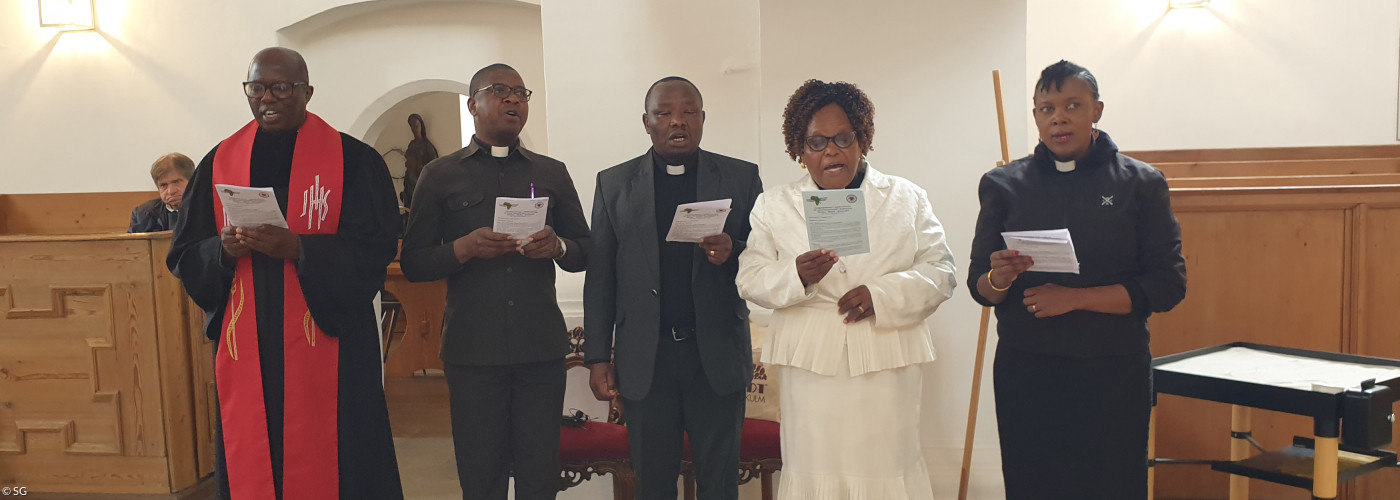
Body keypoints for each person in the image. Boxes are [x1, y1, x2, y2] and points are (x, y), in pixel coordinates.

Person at [167, 47, 404, 500]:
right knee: (255, 450)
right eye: (256, 88)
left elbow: (374, 249)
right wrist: (223, 250)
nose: (267, 98)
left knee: (343, 457)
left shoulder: (353, 160)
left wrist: (299, 248)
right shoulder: (219, 162)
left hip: (328, 338)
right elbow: (185, 253)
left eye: (280, 87)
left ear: (307, 92)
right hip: (250, 344)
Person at [967, 60, 1187, 499]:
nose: (1059, 118)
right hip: (1027, 369)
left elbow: (1168, 285)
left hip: (1112, 369)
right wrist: (999, 276)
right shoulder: (1004, 184)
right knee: (1032, 485)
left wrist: (1075, 298)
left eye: (1072, 106)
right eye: (1047, 108)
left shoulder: (1141, 183)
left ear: (1096, 110)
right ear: (1035, 117)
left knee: (1112, 485)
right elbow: (980, 286)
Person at [735, 80, 956, 499]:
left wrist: (882, 295)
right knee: (816, 473)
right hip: (811, 364)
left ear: (862, 139)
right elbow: (750, 277)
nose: (831, 151)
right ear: (799, 150)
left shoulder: (907, 198)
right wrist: (796, 275)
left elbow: (941, 271)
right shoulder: (774, 205)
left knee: (885, 470)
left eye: (843, 138)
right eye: (817, 142)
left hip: (886, 358)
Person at [400, 63, 589, 500]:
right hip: (473, 352)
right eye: (500, 90)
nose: (513, 99)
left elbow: (586, 249)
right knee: (481, 477)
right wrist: (462, 249)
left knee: (539, 477)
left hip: (540, 351)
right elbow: (413, 263)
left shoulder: (552, 172)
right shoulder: (439, 174)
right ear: (473, 105)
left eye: (521, 93)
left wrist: (558, 246)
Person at [584, 76, 763, 499]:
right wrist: (597, 356)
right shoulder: (614, 184)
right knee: (653, 484)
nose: (677, 121)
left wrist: (733, 251)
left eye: (688, 112)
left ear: (703, 119)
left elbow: (766, 254)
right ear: (646, 122)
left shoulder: (740, 177)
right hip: (648, 359)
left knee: (720, 484)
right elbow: (601, 275)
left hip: (715, 354)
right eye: (664, 113)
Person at [129, 152, 194, 233]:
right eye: (163, 185)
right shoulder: (143, 215)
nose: (171, 191)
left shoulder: (206, 209)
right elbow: (132, 241)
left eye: (176, 182)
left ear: (192, 182)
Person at [400, 113, 439, 208]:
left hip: (422, 184)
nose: (414, 129)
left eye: (416, 125)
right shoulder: (411, 145)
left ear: (421, 125)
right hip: (410, 184)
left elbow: (434, 166)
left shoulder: (427, 146)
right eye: (411, 126)